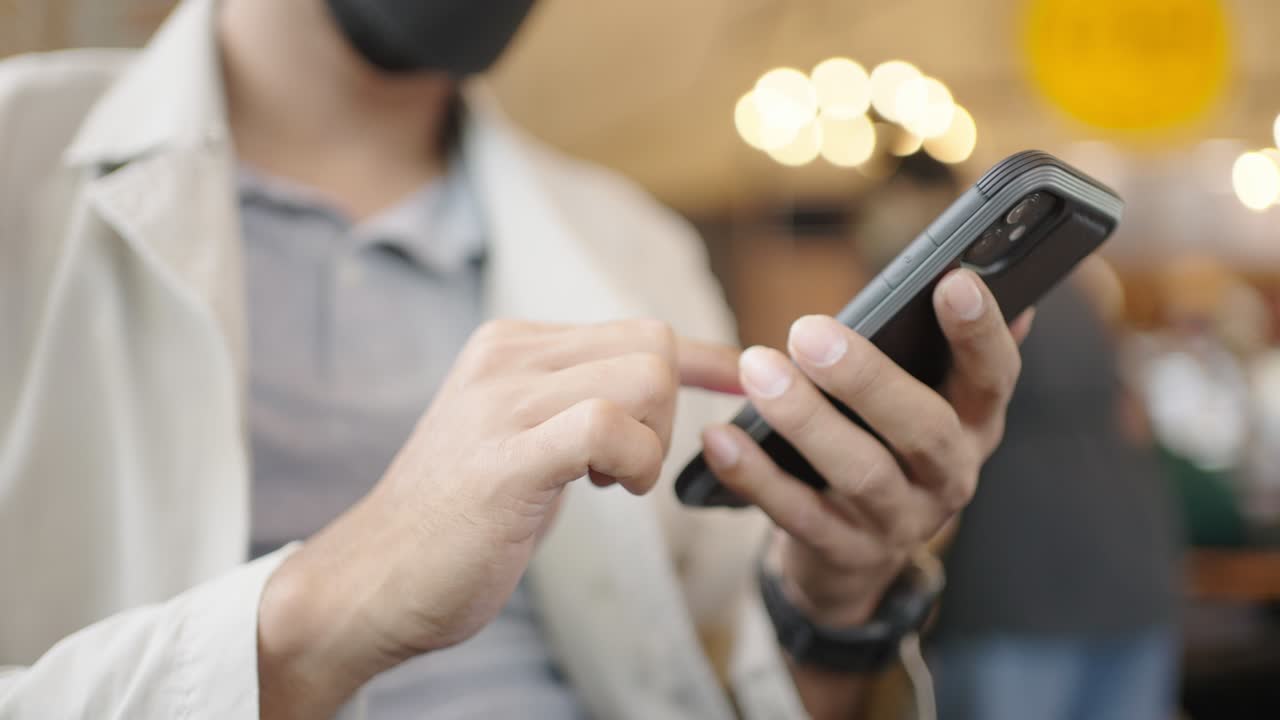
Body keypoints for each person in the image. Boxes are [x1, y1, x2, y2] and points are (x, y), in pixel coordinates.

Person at [0, 0, 1029, 717]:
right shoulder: (19, 160)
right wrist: (327, 609)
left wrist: (831, 605)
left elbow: (728, 686)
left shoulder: (636, 245)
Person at [928, 269, 1182, 720]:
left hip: (1017, 588)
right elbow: (1136, 421)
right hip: (1132, 579)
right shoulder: (1089, 297)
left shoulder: (966, 291)